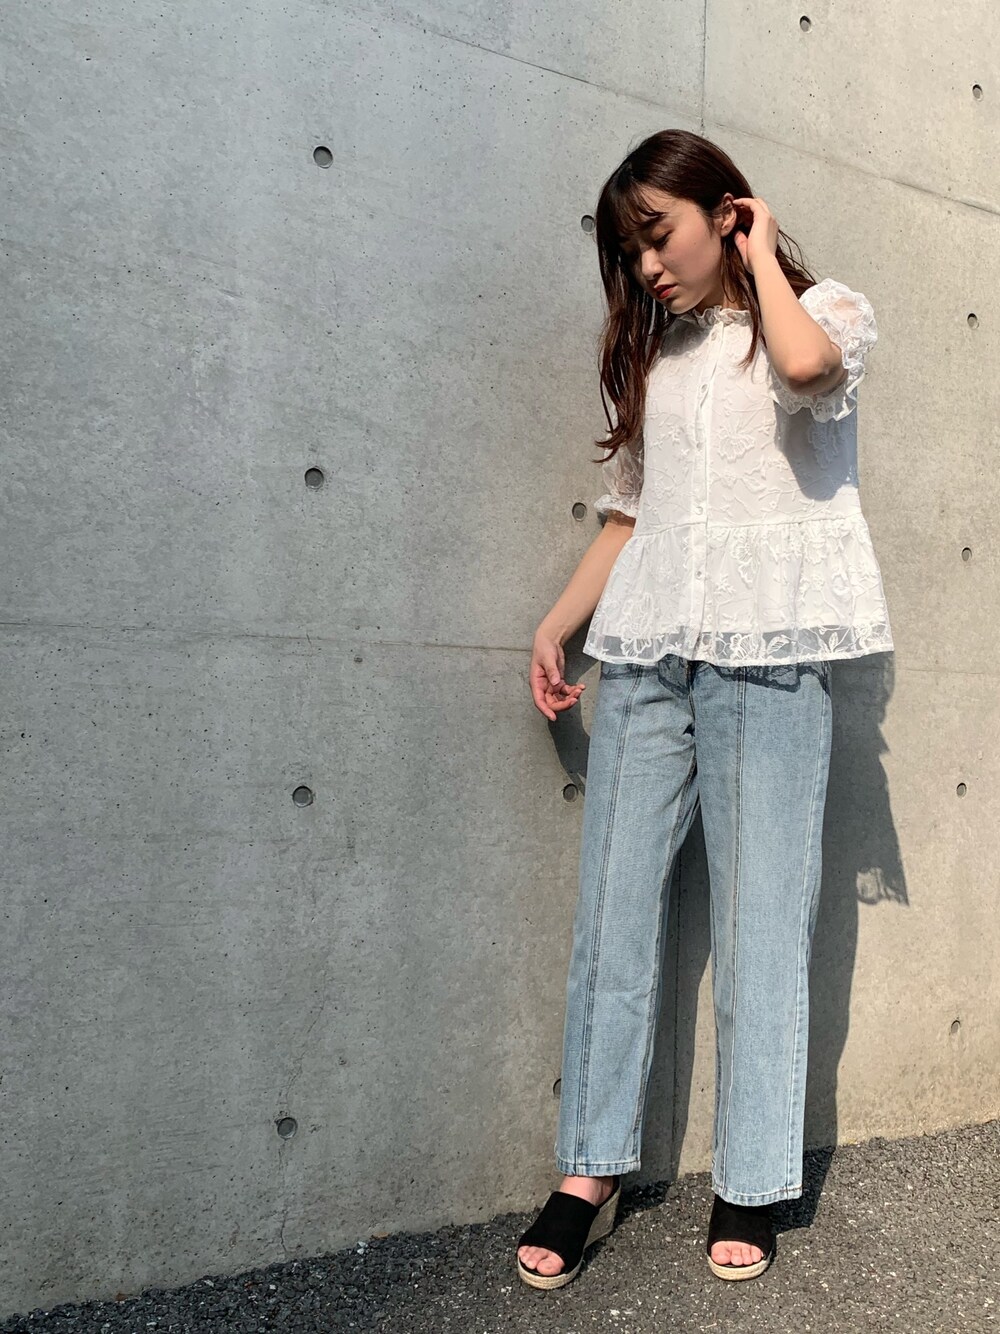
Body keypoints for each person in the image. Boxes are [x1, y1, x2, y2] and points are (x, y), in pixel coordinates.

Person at [516, 129, 893, 1288]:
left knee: (762, 923)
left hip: (768, 658)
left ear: (722, 212)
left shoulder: (821, 312)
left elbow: (807, 373)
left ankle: (752, 1175)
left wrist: (760, 253)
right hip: (646, 658)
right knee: (613, 912)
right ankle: (589, 1167)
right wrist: (559, 621)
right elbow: (631, 513)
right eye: (626, 252)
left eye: (658, 236)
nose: (645, 267)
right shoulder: (658, 356)